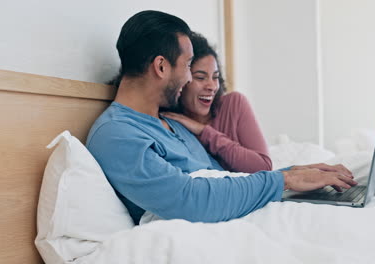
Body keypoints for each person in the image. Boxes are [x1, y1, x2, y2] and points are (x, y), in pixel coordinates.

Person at [86, 10, 357, 225]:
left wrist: (294, 174)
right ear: (161, 66)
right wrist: (284, 180)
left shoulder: (171, 123)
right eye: (189, 66)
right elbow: (190, 200)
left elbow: (223, 179)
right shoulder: (117, 135)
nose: (190, 77)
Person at [161, 32, 271, 173]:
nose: (212, 86)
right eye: (200, 78)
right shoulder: (170, 121)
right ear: (181, 81)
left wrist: (204, 132)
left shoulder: (234, 104)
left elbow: (263, 167)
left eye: (216, 77)